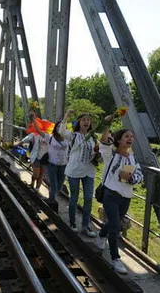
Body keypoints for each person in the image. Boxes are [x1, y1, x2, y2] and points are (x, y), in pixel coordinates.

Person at [95, 116, 143, 274]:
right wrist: (107, 123)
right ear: (119, 140)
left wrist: (131, 178)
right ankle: (115, 259)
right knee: (115, 226)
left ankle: (101, 235)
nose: (130, 138)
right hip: (111, 194)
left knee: (114, 223)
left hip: (126, 196)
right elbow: (103, 142)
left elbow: (140, 176)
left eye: (131, 136)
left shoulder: (132, 158)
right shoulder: (111, 155)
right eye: (126, 136)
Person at [59, 110, 97, 236]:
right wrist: (66, 116)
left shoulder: (92, 137)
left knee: (88, 198)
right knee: (74, 198)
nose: (86, 122)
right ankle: (72, 223)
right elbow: (61, 132)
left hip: (89, 171)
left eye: (88, 120)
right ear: (79, 122)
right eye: (84, 120)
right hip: (74, 170)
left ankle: (85, 226)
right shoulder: (74, 135)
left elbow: (94, 151)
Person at [30, 115, 68, 203]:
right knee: (53, 184)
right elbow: (38, 131)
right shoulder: (50, 137)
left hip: (63, 165)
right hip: (52, 164)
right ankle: (51, 200)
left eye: (62, 127)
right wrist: (34, 120)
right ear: (55, 128)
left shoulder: (67, 139)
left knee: (59, 185)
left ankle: (52, 198)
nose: (60, 128)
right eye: (58, 126)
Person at [14, 113, 49, 191]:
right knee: (36, 174)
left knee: (41, 174)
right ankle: (32, 183)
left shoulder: (49, 136)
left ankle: (37, 189)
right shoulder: (35, 134)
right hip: (36, 156)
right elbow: (25, 139)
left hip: (45, 157)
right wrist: (16, 145)